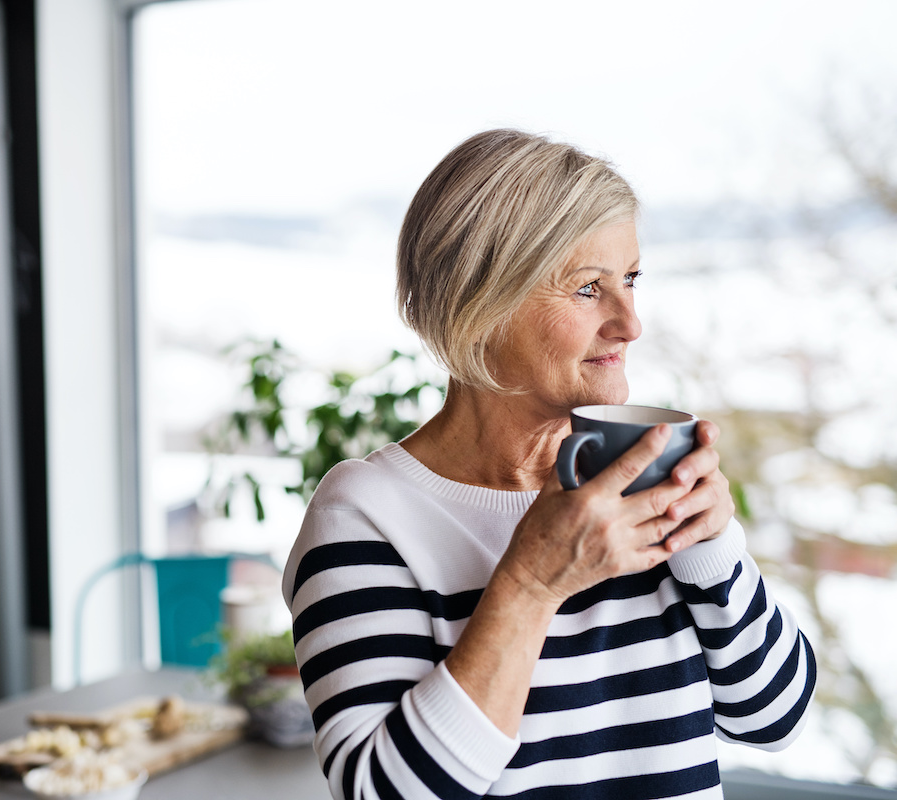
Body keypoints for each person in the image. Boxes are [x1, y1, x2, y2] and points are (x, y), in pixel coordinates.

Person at [282, 129, 816, 800]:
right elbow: (382, 793)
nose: (631, 323)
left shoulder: (637, 480)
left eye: (631, 279)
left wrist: (713, 546)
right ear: (478, 305)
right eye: (589, 289)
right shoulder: (367, 518)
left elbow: (775, 718)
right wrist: (531, 585)